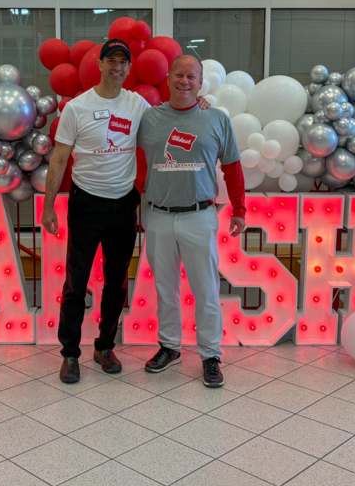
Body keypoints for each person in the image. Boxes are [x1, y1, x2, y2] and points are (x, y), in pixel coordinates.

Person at [42, 38, 149, 383]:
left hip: (123, 204)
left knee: (117, 282)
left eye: (123, 62)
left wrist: (200, 104)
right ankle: (70, 353)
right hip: (85, 203)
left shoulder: (138, 105)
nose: (117, 68)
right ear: (100, 65)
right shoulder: (77, 108)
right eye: (111, 61)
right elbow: (59, 159)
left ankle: (104, 346)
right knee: (77, 280)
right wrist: (47, 206)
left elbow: (169, 124)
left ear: (128, 68)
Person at [137, 54, 246, 388]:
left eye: (191, 77)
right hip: (157, 216)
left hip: (199, 216)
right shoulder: (149, 119)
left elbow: (233, 167)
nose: (185, 82)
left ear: (201, 82)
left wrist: (240, 209)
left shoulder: (216, 119)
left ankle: (211, 355)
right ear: (168, 78)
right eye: (179, 75)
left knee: (206, 290)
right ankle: (169, 347)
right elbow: (138, 163)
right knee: (164, 288)